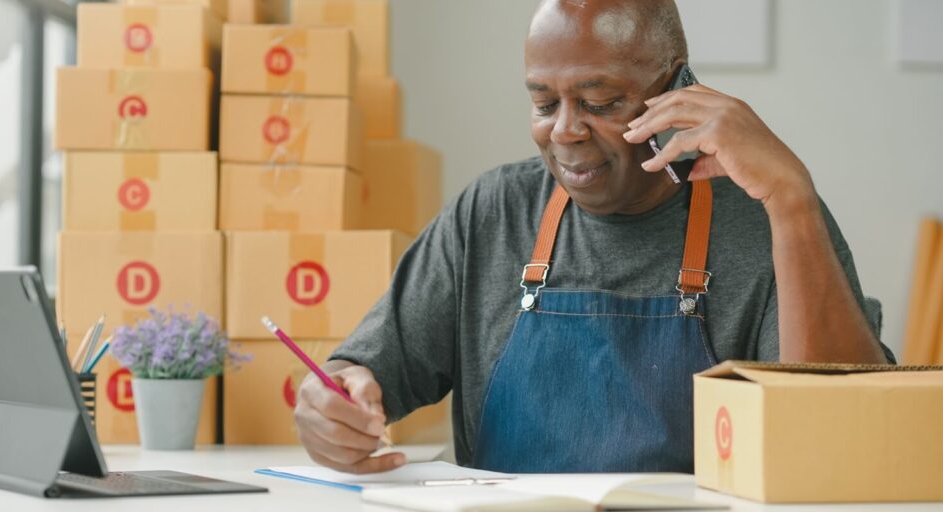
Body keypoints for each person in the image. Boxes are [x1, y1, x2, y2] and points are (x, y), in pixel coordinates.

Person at [292, 0, 895, 475]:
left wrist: (792, 197)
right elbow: (364, 372)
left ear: (677, 88)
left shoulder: (769, 218)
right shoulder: (492, 213)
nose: (565, 131)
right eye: (543, 102)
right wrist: (335, 405)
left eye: (599, 102)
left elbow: (851, 441)